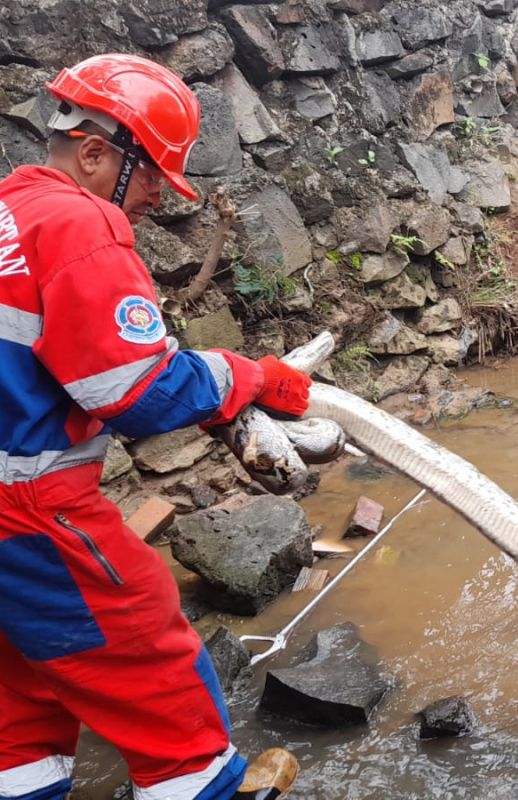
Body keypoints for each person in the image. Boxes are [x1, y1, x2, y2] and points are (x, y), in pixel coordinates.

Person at [0, 54, 310, 800]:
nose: (151, 200)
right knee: (151, 662)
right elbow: (140, 392)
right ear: (98, 150)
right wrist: (254, 377)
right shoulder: (79, 223)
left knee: (19, 695)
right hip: (27, 515)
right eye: (149, 178)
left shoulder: (9, 213)